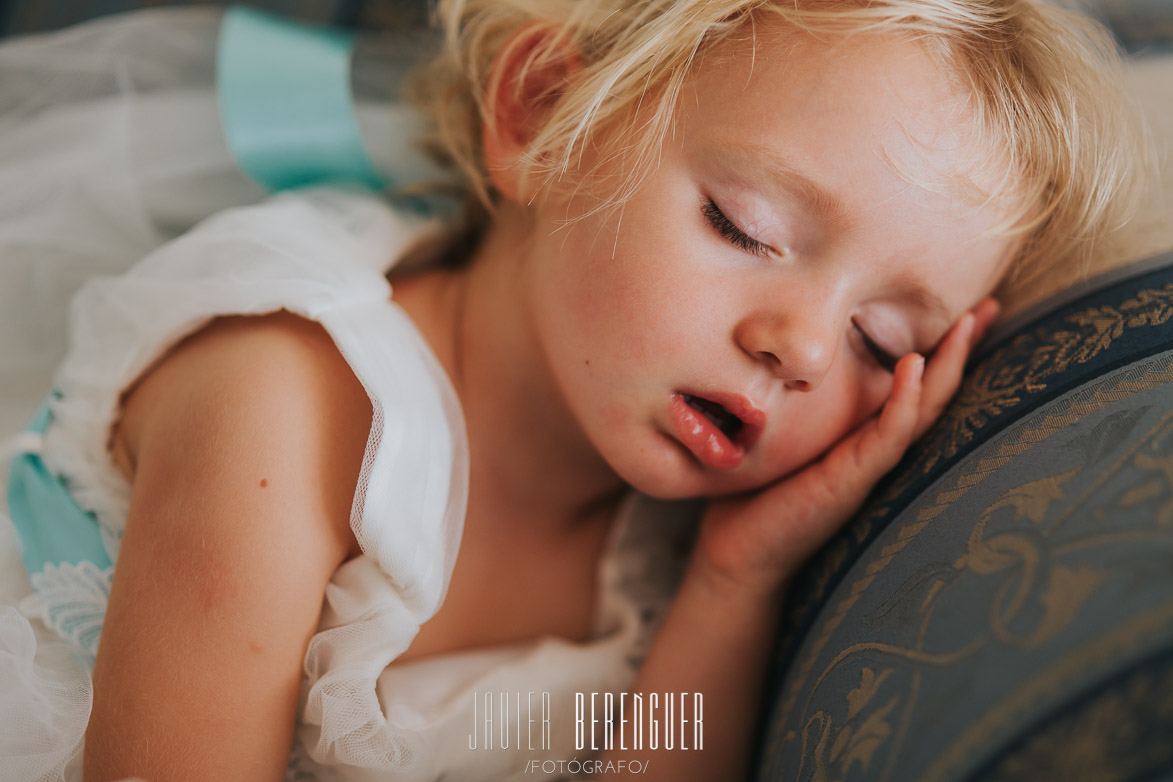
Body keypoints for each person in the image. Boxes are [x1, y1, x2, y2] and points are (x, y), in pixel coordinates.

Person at [0, 0, 1142, 780]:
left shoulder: (654, 551)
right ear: (546, 114)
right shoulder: (293, 407)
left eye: (885, 342)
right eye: (744, 226)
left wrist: (735, 584)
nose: (798, 346)